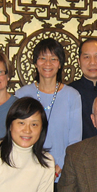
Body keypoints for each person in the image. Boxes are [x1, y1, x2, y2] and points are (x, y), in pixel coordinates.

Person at [15, 38, 82, 182]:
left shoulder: (72, 96)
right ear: (35, 62)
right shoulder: (21, 94)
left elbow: (75, 141)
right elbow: (16, 134)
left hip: (62, 174)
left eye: (53, 59)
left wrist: (60, 166)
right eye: (42, 58)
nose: (48, 63)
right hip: (27, 173)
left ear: (60, 64)